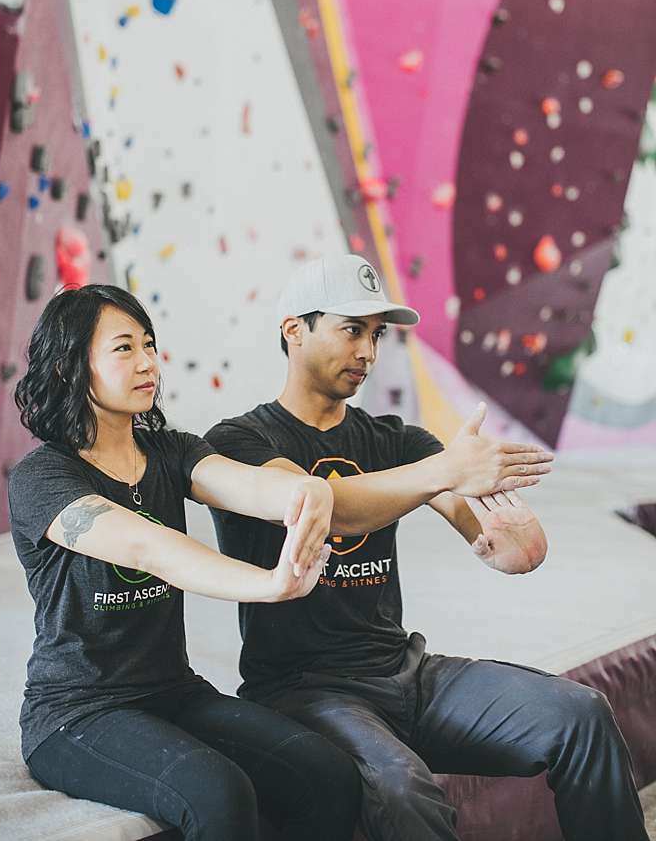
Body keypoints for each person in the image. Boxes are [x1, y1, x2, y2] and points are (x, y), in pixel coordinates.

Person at [205, 253, 646, 839]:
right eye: (351, 330)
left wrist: (507, 539)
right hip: (305, 691)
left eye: (377, 334)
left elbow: (488, 529)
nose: (367, 352)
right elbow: (321, 502)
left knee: (580, 715)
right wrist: (442, 470)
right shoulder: (239, 441)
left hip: (405, 671)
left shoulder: (396, 440)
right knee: (400, 787)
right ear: (294, 331)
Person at [8, 284, 361, 841]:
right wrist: (269, 584)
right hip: (77, 713)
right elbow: (149, 548)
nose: (148, 362)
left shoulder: (171, 452)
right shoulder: (44, 478)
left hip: (171, 691)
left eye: (149, 344)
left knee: (329, 774)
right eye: (124, 348)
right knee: (218, 793)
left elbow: (246, 485)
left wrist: (305, 493)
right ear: (67, 368)